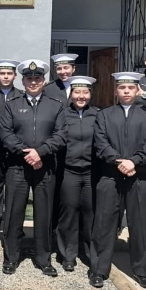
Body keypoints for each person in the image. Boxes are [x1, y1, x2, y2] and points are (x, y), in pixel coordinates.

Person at [90, 72, 146, 289]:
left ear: (138, 90)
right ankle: (99, 270)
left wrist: (134, 162)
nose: (127, 91)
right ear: (116, 91)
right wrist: (118, 161)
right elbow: (100, 143)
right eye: (122, 88)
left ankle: (142, 271)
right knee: (104, 224)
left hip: (138, 177)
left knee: (140, 225)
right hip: (110, 176)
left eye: (131, 88)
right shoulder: (104, 115)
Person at [0, 59, 67, 276]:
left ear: (44, 80)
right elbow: (6, 134)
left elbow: (61, 135)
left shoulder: (56, 105)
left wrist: (41, 152)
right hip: (18, 166)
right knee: (13, 213)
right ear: (23, 80)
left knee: (44, 214)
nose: (33, 81)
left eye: (37, 78)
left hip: (45, 166)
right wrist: (26, 153)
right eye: (29, 78)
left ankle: (43, 258)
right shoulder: (11, 104)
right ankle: (11, 257)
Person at [56, 76, 99, 272]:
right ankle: (68, 255)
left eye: (85, 92)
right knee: (69, 213)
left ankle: (91, 253)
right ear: (71, 94)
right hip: (69, 171)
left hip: (91, 172)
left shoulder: (98, 115)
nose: (81, 96)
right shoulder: (62, 114)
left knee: (91, 213)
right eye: (77, 92)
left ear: (90, 94)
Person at [0, 59, 23, 233]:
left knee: (16, 190)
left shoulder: (22, 96)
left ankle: (15, 225)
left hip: (16, 150)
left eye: (9, 73)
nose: (6, 76)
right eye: (3, 73)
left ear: (15, 75)